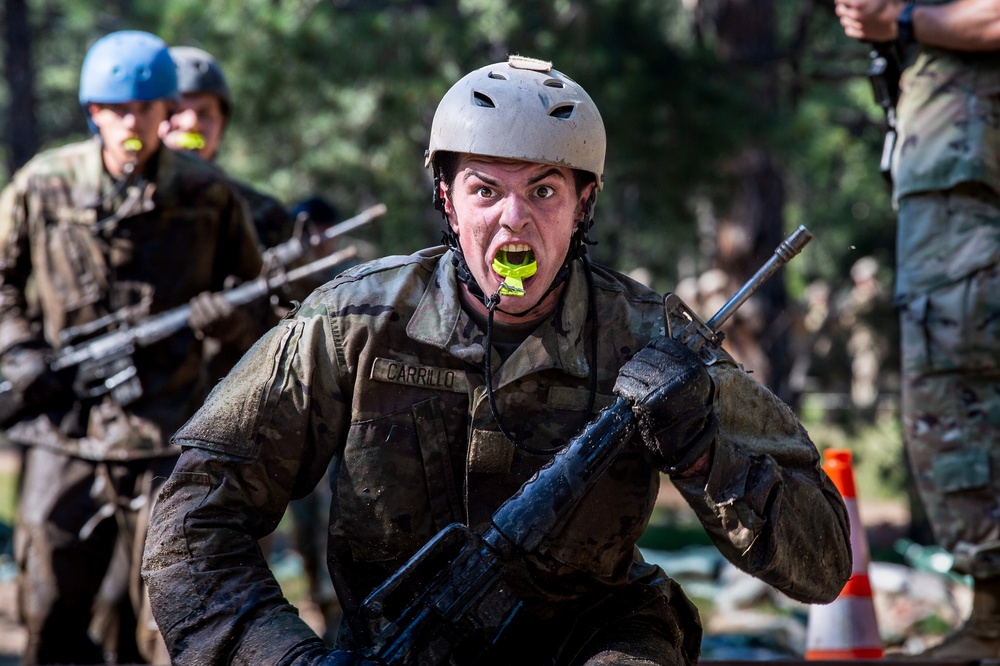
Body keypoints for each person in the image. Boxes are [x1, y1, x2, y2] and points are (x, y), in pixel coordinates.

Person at [142, 55, 852, 665]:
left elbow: (823, 562)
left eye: (544, 190)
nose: (514, 220)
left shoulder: (656, 343)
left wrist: (703, 456)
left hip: (595, 641)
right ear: (448, 202)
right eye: (486, 190)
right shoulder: (351, 325)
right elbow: (191, 522)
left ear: (584, 205)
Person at [0, 30, 266, 665]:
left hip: (166, 436)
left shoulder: (207, 194)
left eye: (145, 110)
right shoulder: (45, 185)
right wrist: (19, 351)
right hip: (63, 431)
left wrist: (222, 323)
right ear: (94, 113)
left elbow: (257, 305)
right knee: (49, 608)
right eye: (117, 111)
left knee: (174, 614)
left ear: (163, 112)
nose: (132, 125)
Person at [835, 0, 1000, 656]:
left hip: (968, 205)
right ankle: (990, 613)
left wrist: (902, 22)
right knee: (952, 391)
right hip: (950, 195)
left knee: (960, 387)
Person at [161, 45, 296, 253]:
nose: (191, 124)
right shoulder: (113, 206)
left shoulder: (265, 216)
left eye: (204, 113)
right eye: (177, 111)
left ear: (221, 124)